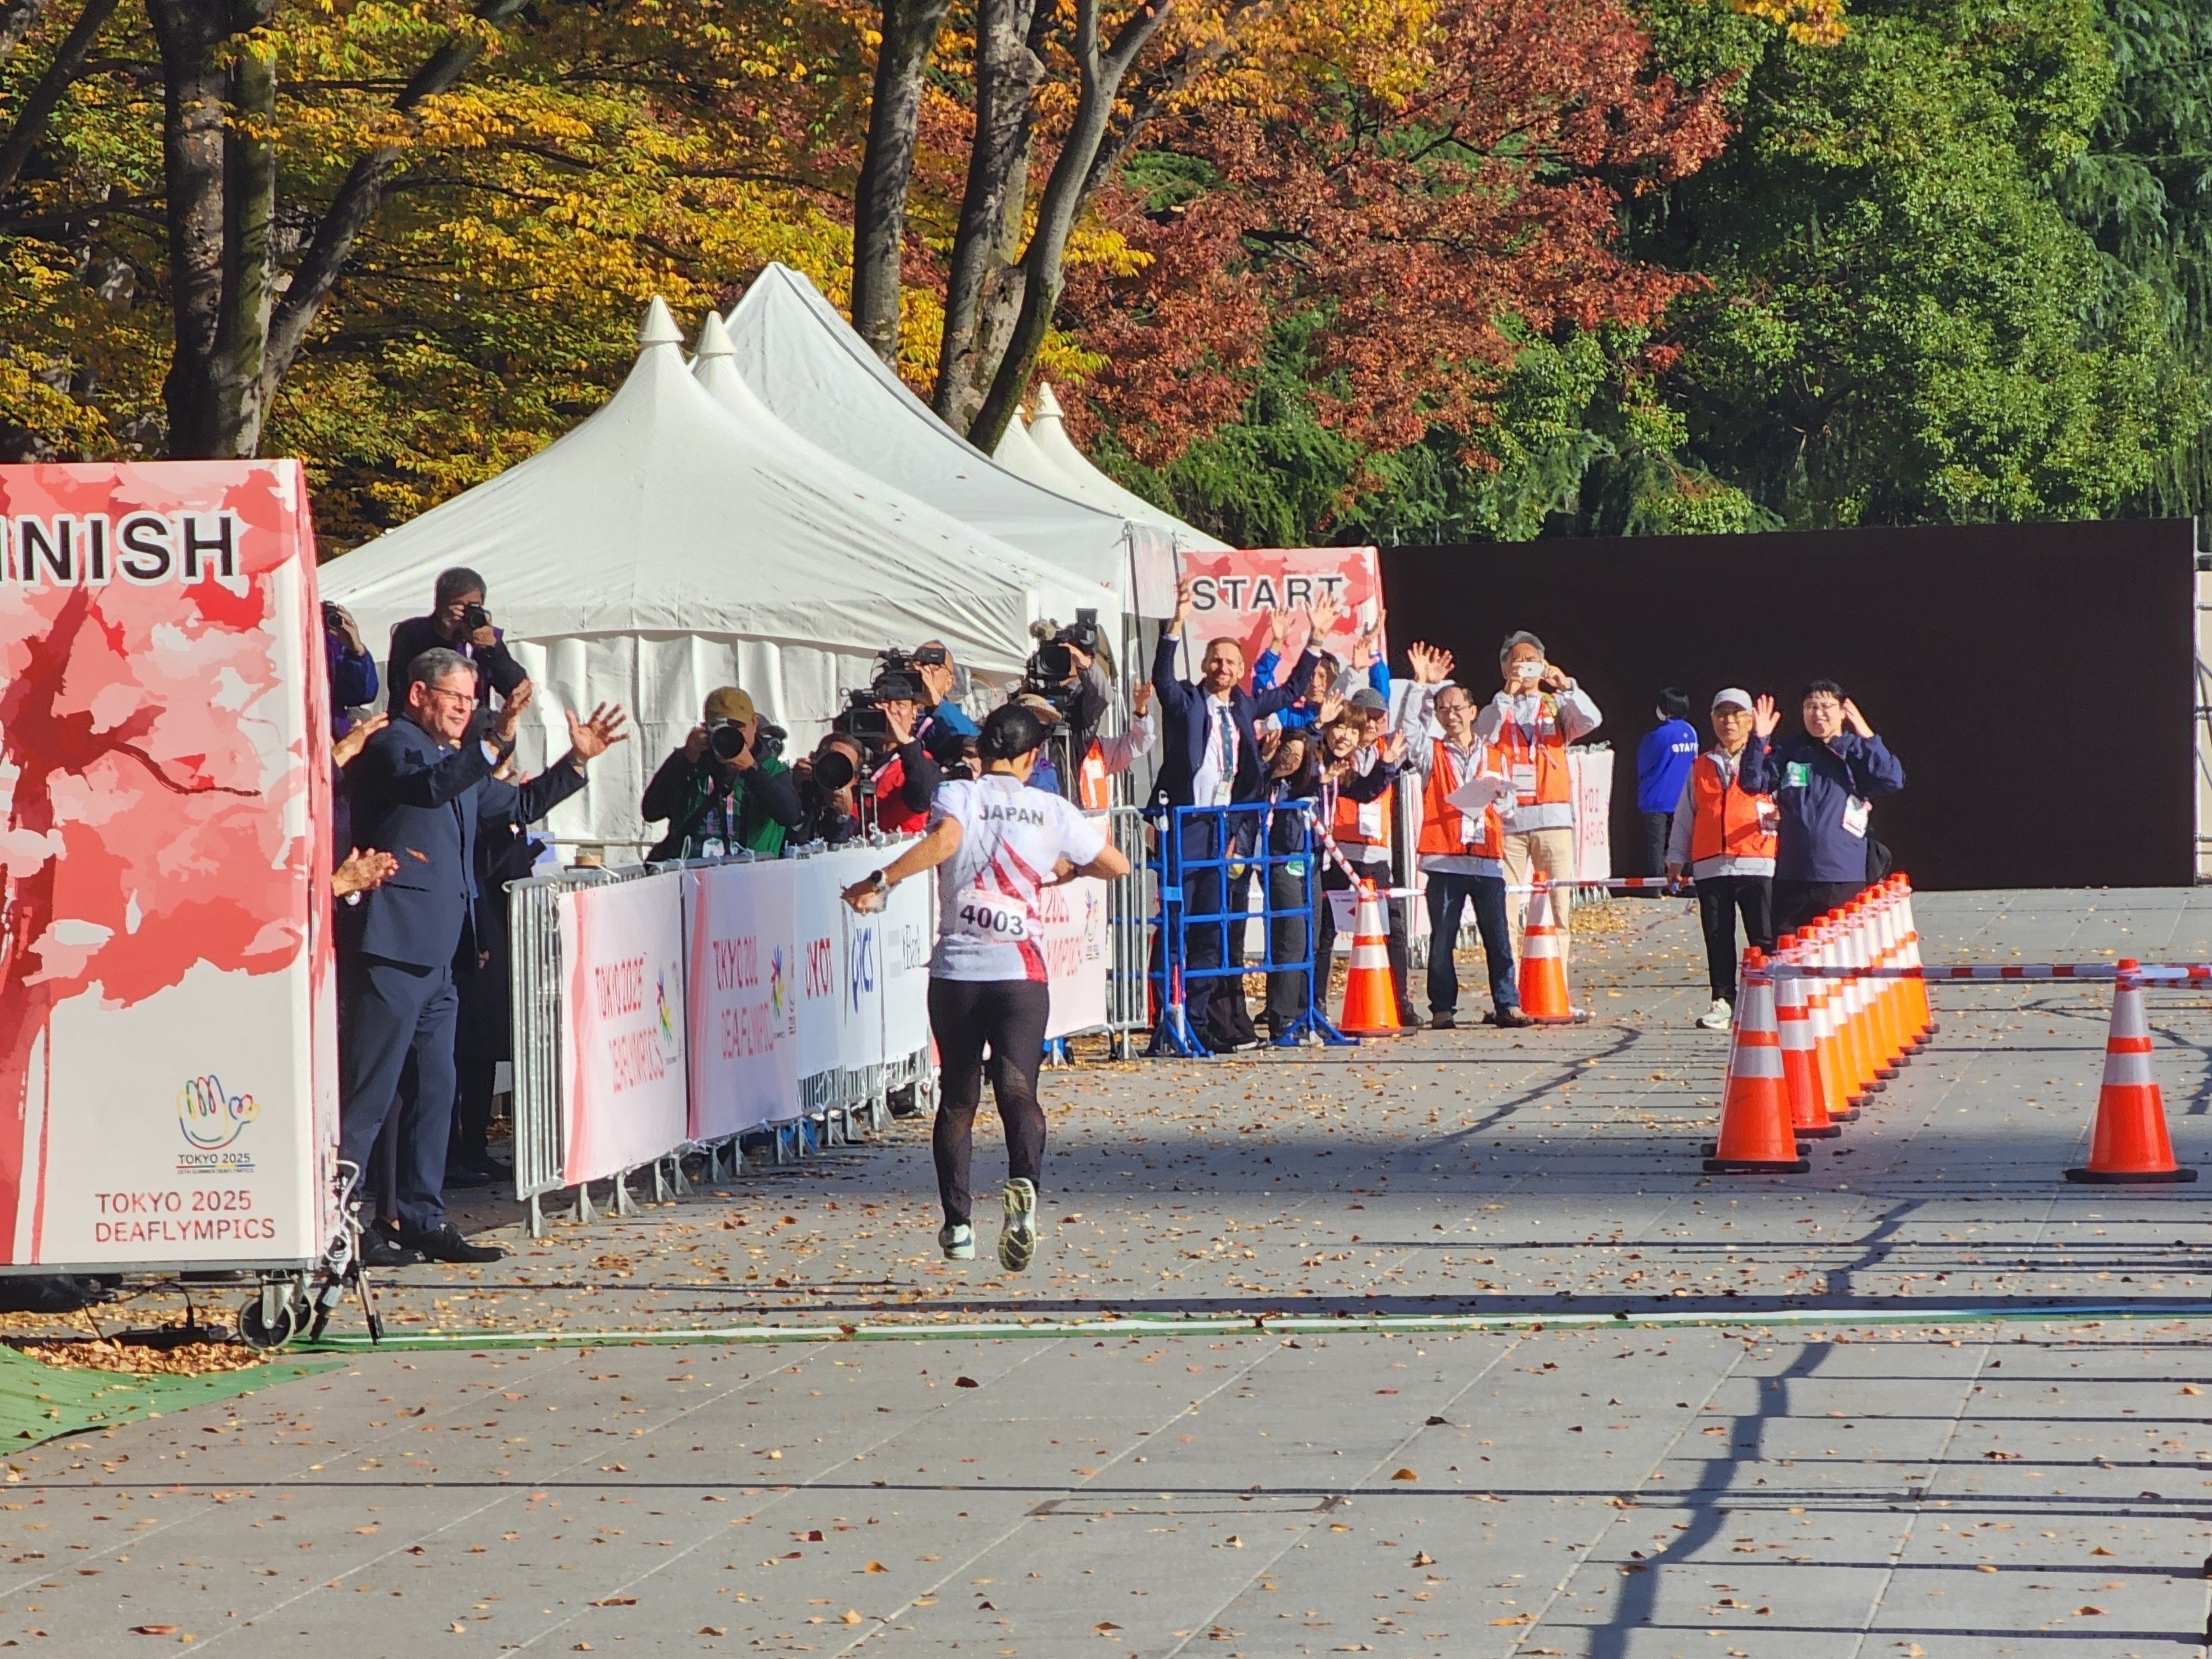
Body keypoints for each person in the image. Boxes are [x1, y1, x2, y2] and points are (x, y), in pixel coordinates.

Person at [338, 651, 627, 1266]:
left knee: (434, 1090)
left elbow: (514, 809)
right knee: (370, 1092)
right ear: (419, 693)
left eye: (472, 703)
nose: (465, 711)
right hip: (393, 945)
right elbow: (430, 787)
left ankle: (418, 1216)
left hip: (443, 954)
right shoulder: (397, 744)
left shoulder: (455, 758)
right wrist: (493, 739)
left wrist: (574, 762)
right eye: (456, 699)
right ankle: (335, 1219)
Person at [841, 704, 1130, 1271]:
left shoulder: (959, 794)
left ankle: (958, 1226)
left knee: (957, 1100)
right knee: (1019, 1093)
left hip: (957, 973)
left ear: (986, 752)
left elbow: (946, 841)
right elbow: (1117, 864)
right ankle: (1023, 1187)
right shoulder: (1051, 808)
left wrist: (881, 879)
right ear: (1030, 758)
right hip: (1020, 975)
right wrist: (1067, 871)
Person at [1150, 581, 1337, 1052]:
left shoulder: (1245, 704)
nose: (1223, 668)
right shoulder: (1187, 702)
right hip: (1186, 825)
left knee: (1214, 925)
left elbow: (1294, 689)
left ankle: (1199, 1020)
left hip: (1226, 827)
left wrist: (1314, 641)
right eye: (1216, 660)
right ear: (1205, 665)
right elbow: (1162, 680)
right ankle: (1168, 1019)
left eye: (1232, 662)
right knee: (1177, 921)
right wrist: (1176, 624)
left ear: (1240, 671)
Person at [1400, 643, 1528, 1029]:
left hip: (1487, 857)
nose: (1451, 716)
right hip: (1444, 857)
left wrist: (1502, 797)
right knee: (1442, 941)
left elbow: (1509, 810)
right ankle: (1443, 1008)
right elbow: (1409, 729)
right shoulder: (1431, 752)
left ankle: (1508, 1003)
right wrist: (1422, 686)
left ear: (1474, 712)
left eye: (1458, 709)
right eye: (1444, 710)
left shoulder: (1494, 755)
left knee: (1498, 937)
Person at [1739, 680, 1906, 938]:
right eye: (1810, 707)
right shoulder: (1792, 750)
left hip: (1842, 874)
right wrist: (1759, 740)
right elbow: (1752, 783)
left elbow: (1892, 780)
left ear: (1842, 712)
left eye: (1826, 706)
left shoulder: (1856, 750)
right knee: (1789, 955)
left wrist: (1867, 735)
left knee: (1843, 954)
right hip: (1793, 874)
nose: (1817, 714)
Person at [1473, 630, 1601, 948]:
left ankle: (1556, 989)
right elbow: (1479, 736)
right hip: (1509, 820)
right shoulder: (1498, 707)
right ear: (1505, 669)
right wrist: (1506, 694)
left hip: (1554, 821)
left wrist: (1566, 685)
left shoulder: (1556, 706)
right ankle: (1510, 993)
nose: (1526, 668)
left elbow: (1592, 720)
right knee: (1505, 910)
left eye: (1533, 661)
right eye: (1518, 662)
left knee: (1558, 908)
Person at [1666, 689, 1778, 1030]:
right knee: (1718, 936)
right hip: (1710, 864)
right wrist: (1675, 857)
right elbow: (1686, 814)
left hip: (1757, 860)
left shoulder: (1768, 759)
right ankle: (1723, 1001)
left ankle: (1768, 999)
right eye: (1721, 714)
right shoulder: (1701, 765)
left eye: (1736, 714)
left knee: (1763, 935)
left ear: (1749, 720)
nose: (1729, 721)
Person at [1311, 712, 1411, 1021]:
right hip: (1327, 856)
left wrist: (1387, 764)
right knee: (1322, 933)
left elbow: (1367, 792)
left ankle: (1398, 1003)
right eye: (1340, 727)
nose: (1346, 735)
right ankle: (1315, 1005)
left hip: (1370, 857)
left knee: (1392, 928)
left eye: (1351, 730)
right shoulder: (1321, 756)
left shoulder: (1362, 761)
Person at [641, 686, 803, 860]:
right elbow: (651, 811)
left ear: (754, 723)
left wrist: (752, 769)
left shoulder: (771, 769)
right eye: (722, 728)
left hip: (752, 877)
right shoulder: (694, 763)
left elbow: (791, 815)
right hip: (692, 876)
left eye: (738, 728)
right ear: (706, 728)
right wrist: (684, 759)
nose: (731, 735)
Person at [384, 567, 528, 716]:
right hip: (423, 720)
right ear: (439, 605)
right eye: (459, 606)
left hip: (471, 724)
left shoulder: (487, 636)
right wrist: (445, 636)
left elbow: (516, 689)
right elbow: (399, 688)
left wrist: (493, 648)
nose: (466, 614)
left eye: (473, 607)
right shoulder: (412, 633)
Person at [854, 670, 942, 834]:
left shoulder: (920, 761)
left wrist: (906, 744)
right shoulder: (856, 757)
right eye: (885, 704)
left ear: (915, 712)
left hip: (902, 852)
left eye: (900, 705)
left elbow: (924, 798)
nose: (892, 711)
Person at [1638, 688, 1698, 878]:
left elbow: (1643, 765)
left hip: (1656, 798)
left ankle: (1655, 887)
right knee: (1684, 843)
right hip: (1682, 798)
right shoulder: (1691, 732)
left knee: (1656, 846)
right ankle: (1685, 884)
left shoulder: (1658, 736)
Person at [794, 733, 868, 846]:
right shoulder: (800, 786)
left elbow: (839, 851)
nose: (834, 772)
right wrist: (795, 792)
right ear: (814, 759)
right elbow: (794, 838)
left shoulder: (859, 807)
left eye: (843, 768)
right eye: (831, 762)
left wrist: (843, 817)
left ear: (855, 779)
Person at [911, 641, 978, 738]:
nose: (925, 670)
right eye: (919, 662)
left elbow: (970, 740)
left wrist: (938, 705)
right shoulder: (894, 707)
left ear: (949, 683)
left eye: (935, 665)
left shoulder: (951, 718)